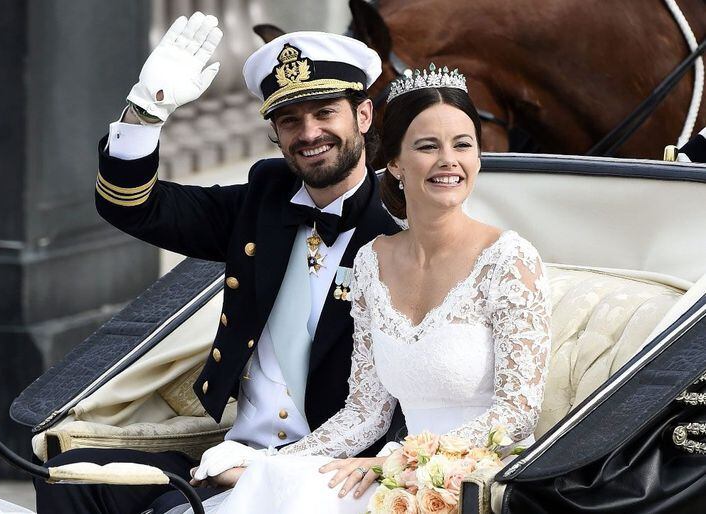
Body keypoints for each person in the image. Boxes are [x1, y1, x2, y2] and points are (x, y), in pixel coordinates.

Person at [34, 12, 403, 514]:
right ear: (274, 132)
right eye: (290, 120)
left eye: (325, 113)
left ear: (362, 117)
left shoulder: (401, 230)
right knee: (70, 478)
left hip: (332, 474)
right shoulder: (262, 199)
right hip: (229, 454)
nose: (309, 133)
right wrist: (147, 111)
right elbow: (132, 204)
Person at [180, 65, 552, 513]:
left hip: (485, 481)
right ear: (394, 162)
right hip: (390, 473)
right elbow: (365, 412)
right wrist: (273, 463)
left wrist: (396, 461)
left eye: (463, 145)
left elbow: (516, 415)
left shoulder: (510, 260)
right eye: (427, 146)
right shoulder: (373, 260)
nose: (448, 161)